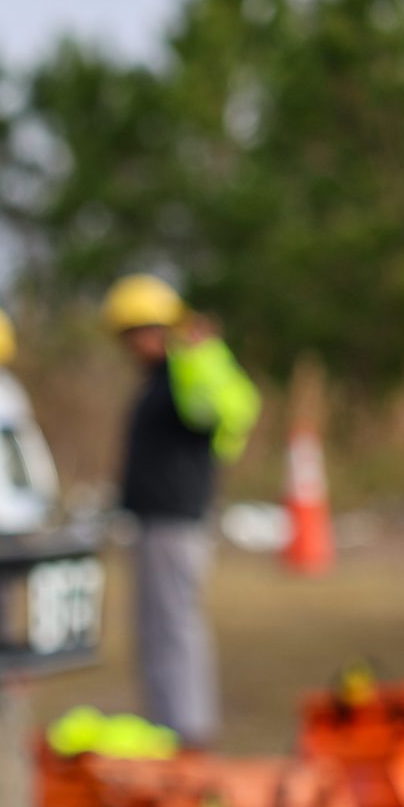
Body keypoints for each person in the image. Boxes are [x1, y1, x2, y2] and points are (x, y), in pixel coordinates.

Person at [103, 273, 259, 748]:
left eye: (138, 333)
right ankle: (165, 726)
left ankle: (186, 731)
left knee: (174, 627)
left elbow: (217, 410)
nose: (133, 346)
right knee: (156, 628)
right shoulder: (160, 380)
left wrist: (198, 352)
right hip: (155, 522)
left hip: (175, 521)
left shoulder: (187, 373)